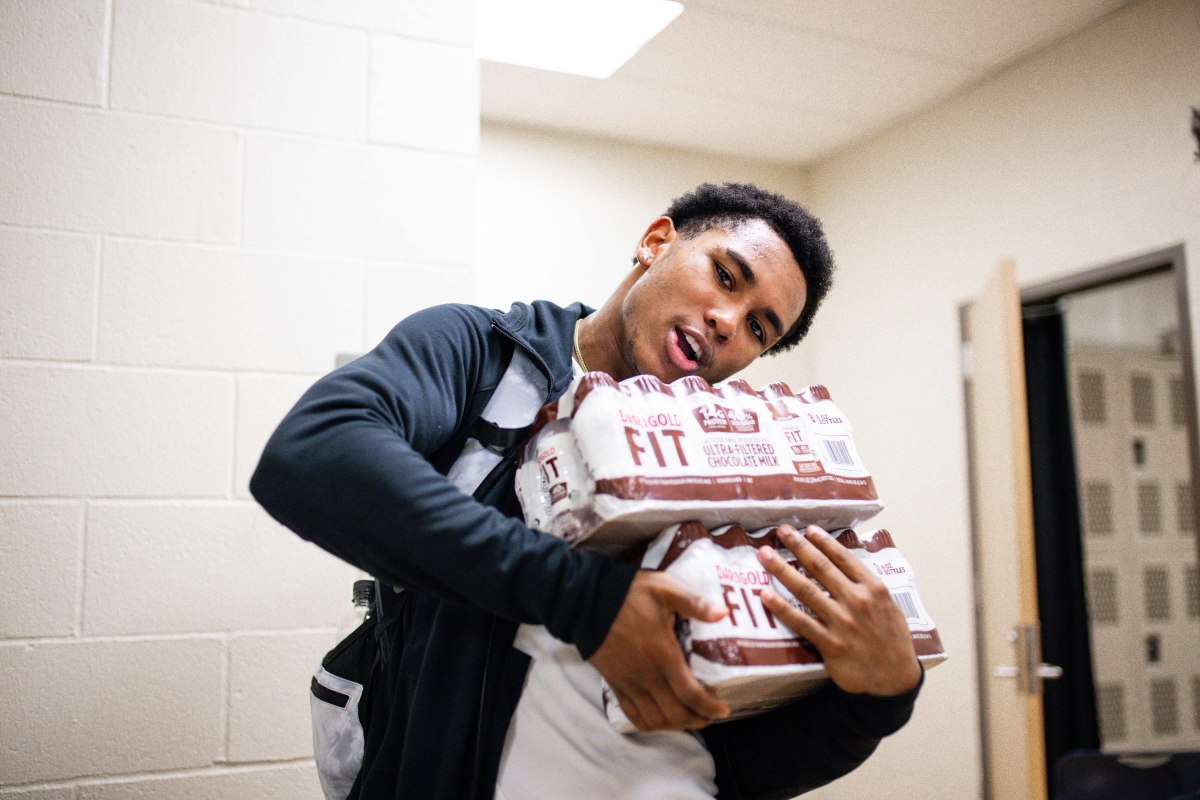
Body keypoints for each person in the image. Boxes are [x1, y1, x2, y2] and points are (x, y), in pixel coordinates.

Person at [251, 182, 923, 800]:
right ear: (656, 242)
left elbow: (731, 761)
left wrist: (875, 702)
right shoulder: (484, 358)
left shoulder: (734, 476)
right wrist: (586, 598)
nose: (727, 321)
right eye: (725, 274)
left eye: (758, 327)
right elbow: (313, 454)